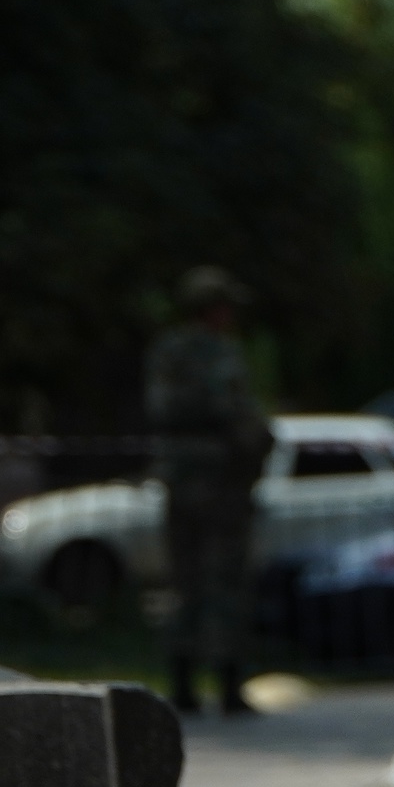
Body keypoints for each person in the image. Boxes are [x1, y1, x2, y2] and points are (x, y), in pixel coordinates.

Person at [147, 267, 272, 716]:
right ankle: (213, 685)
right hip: (214, 483)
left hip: (198, 482)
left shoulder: (177, 351)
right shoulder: (209, 353)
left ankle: (200, 684)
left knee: (197, 581)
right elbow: (229, 412)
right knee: (215, 581)